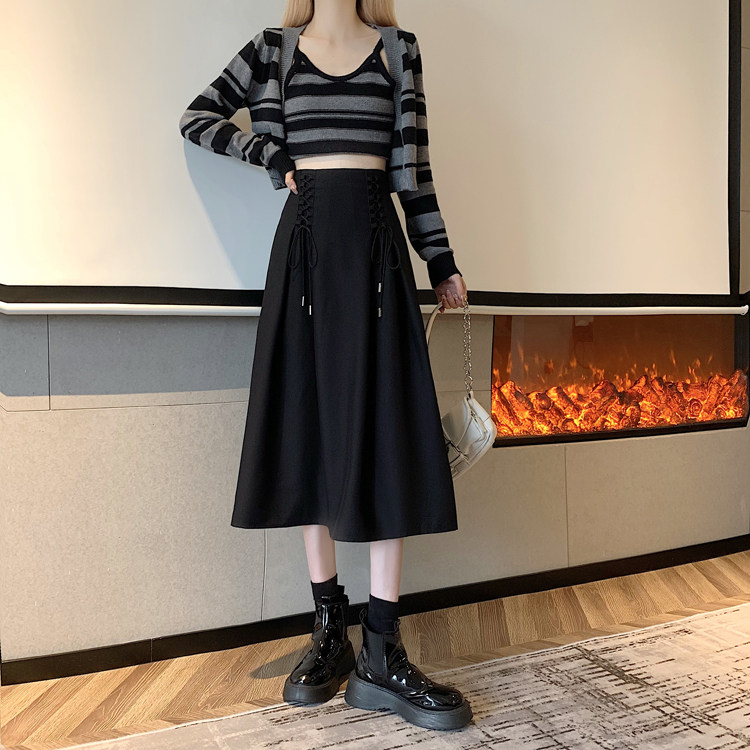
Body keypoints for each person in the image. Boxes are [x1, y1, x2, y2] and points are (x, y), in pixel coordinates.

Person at [179, 0, 472, 731]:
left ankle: (382, 648)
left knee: (387, 437)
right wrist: (271, 156)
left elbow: (413, 170)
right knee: (307, 430)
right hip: (304, 257)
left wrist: (440, 260)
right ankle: (329, 629)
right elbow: (197, 118)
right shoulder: (273, 50)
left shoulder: (399, 50)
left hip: (376, 257)